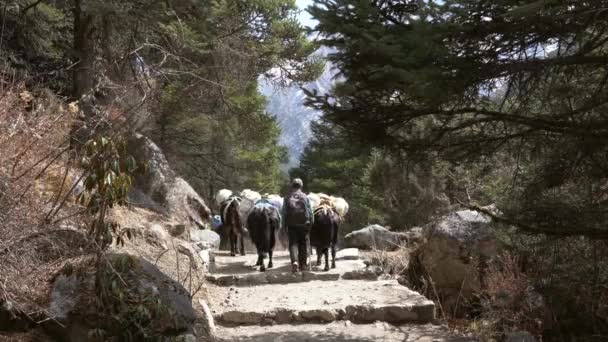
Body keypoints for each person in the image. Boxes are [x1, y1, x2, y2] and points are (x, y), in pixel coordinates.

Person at [282, 178, 313, 273]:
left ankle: (294, 262)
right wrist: (310, 223)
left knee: (293, 244)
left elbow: (284, 213)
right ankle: (303, 265)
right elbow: (310, 212)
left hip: (291, 224)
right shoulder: (305, 197)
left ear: (292, 186)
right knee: (303, 244)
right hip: (304, 224)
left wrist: (284, 225)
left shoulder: (287, 197)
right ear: (301, 186)